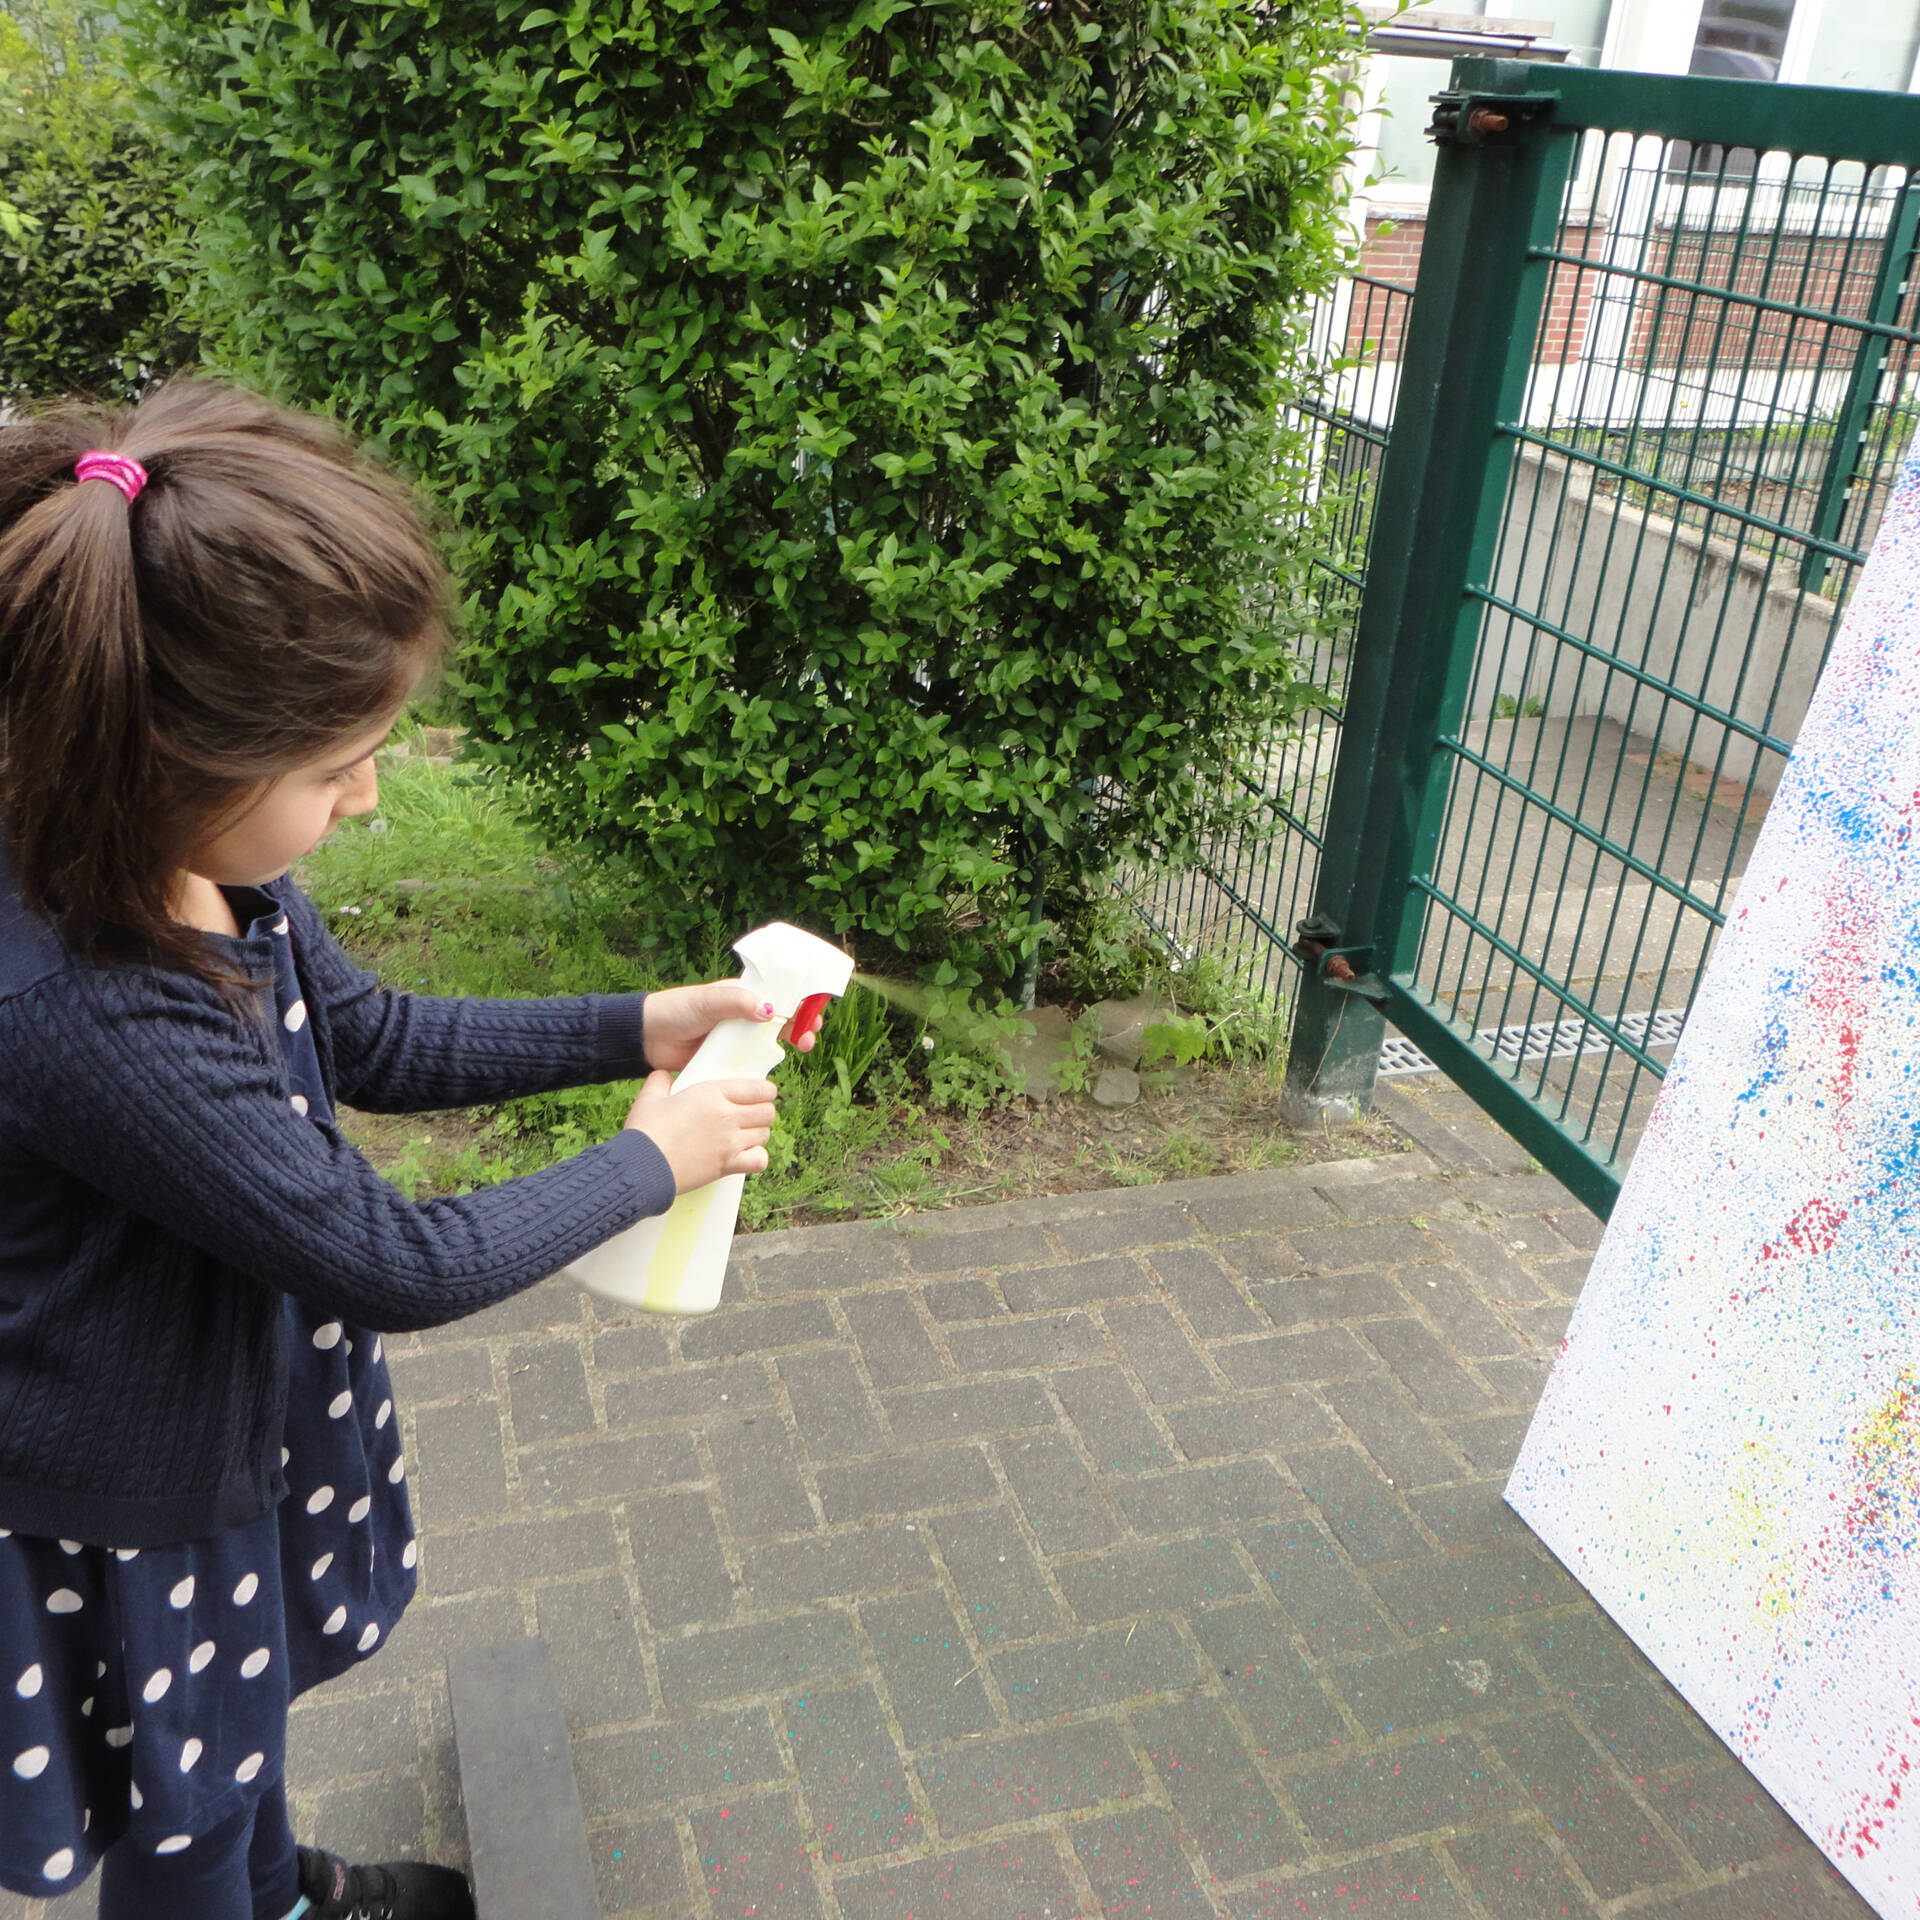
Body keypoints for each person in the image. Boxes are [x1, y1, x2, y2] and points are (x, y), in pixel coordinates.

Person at [0, 380, 813, 1920]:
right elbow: (388, 1259)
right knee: (181, 1803)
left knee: (232, 1740)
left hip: (220, 1408)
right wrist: (654, 1159)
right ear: (172, 754)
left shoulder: (188, 859)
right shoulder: (90, 1004)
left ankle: (282, 1891)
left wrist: (643, 1022)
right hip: (135, 1491)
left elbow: (372, 1039)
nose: (367, 793)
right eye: (333, 769)